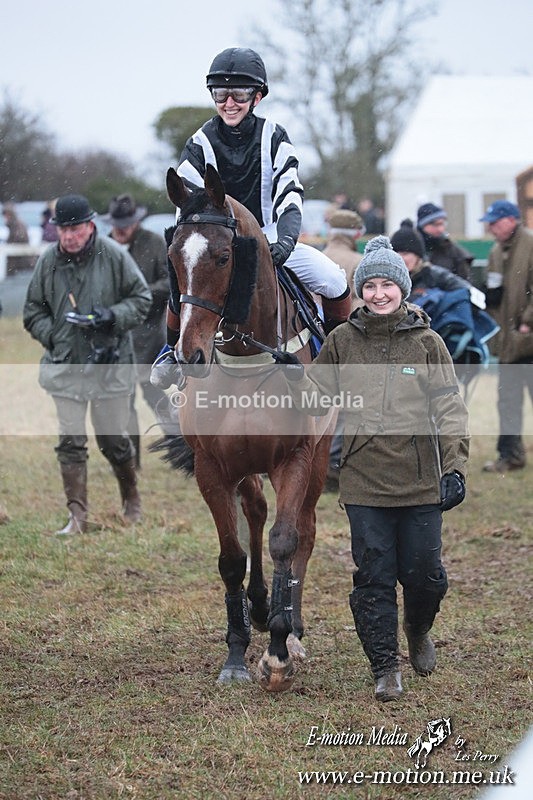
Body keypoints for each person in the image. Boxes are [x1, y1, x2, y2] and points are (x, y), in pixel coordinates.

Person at [283, 236, 469, 701]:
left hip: (422, 481)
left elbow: (450, 409)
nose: (379, 294)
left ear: (403, 289)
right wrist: (290, 373)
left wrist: (455, 468)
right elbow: (316, 399)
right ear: (360, 290)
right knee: (373, 577)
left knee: (426, 575)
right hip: (364, 482)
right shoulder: (342, 341)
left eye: (388, 284)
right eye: (370, 286)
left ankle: (418, 628)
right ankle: (385, 667)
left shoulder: (429, 343)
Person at [151, 47, 351, 388]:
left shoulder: (274, 136)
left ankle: (339, 360)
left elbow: (290, 195)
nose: (230, 102)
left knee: (333, 278)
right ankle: (172, 352)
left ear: (257, 96)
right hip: (216, 245)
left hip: (271, 239)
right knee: (184, 279)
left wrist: (286, 242)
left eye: (239, 94)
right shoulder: (199, 143)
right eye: (221, 94)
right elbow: (187, 205)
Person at [23, 194, 152, 534]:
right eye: (63, 229)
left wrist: (112, 316)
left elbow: (142, 299)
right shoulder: (47, 261)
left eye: (75, 228)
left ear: (90, 226)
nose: (69, 235)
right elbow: (32, 310)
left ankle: (132, 498)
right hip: (65, 366)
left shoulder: (113, 255)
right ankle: (77, 516)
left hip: (110, 364)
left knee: (113, 441)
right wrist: (55, 336)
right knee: (70, 440)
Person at [103, 194, 170, 467]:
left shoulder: (154, 244)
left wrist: (140, 296)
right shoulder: (105, 245)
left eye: (127, 224)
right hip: (116, 334)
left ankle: (183, 447)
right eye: (118, 224)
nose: (121, 229)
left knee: (155, 394)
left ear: (136, 222)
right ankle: (130, 458)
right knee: (123, 398)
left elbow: (169, 284)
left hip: (149, 334)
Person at [479, 200, 533, 473]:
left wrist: (527, 322)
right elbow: (494, 292)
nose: (491, 228)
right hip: (509, 342)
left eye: (495, 222)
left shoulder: (531, 245)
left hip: (528, 339)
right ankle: (510, 455)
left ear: (511, 220)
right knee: (508, 399)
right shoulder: (495, 252)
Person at [321, 208, 365, 491]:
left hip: (308, 346)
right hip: (344, 344)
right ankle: (332, 472)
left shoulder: (312, 258)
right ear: (357, 234)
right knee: (345, 410)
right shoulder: (359, 263)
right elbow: (362, 308)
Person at [390, 219, 472, 302]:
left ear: (418, 256)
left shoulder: (434, 275)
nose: (400, 258)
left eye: (405, 253)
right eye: (396, 254)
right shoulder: (386, 277)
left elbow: (467, 290)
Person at [416, 203, 473, 279]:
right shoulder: (412, 248)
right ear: (423, 225)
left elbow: (464, 284)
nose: (440, 229)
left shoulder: (454, 252)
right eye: (435, 225)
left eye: (442, 224)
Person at [2, 202, 33, 273]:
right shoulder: (14, 224)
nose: (5, 217)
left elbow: (20, 238)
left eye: (6, 214)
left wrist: (10, 244)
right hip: (16, 261)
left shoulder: (17, 224)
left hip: (20, 262)